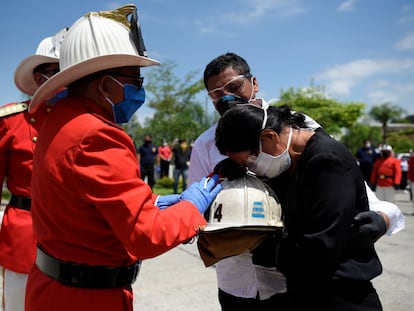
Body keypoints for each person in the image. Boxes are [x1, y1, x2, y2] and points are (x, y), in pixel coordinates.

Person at [24, 5, 221, 311]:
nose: (140, 91)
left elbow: (85, 202)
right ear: (104, 85)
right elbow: (147, 235)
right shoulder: (97, 135)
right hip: (88, 298)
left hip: (53, 289)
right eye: (135, 81)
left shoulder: (59, 121)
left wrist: (152, 203)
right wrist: (190, 208)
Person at [188, 52, 404, 310]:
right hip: (238, 281)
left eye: (233, 87)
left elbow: (346, 190)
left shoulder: (299, 128)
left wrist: (383, 217)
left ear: (254, 83)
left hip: (299, 282)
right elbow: (197, 212)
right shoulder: (205, 145)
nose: (226, 98)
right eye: (216, 95)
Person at [215, 103, 384, 309]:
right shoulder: (291, 162)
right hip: (305, 290)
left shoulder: (325, 161)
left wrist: (261, 248)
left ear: (270, 137)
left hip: (339, 296)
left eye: (250, 162)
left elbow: (321, 247)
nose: (253, 168)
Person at [0, 28, 68, 311]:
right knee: (19, 305)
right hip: (24, 236)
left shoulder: (84, 120)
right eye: (60, 72)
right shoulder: (11, 121)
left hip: (71, 232)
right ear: (41, 78)